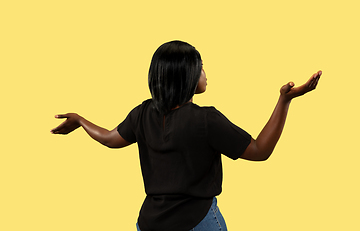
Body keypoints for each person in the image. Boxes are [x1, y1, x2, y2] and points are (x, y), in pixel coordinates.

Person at [51, 40, 322, 231]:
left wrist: (80, 121)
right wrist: (285, 101)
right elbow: (260, 151)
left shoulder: (142, 113)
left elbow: (110, 138)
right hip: (197, 222)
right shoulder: (206, 120)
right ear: (187, 76)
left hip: (149, 223)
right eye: (200, 67)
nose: (205, 73)